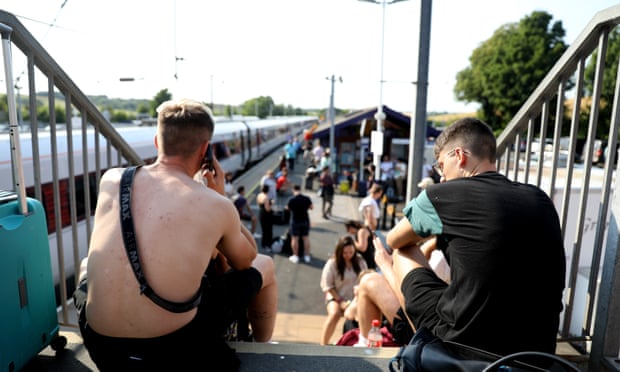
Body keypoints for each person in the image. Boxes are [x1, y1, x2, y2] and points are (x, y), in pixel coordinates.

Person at [74, 99, 278, 371]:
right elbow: (246, 260)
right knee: (265, 265)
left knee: (88, 263)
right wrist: (221, 196)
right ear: (206, 150)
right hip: (173, 352)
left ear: (157, 142)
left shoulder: (112, 180)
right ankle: (262, 346)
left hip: (101, 347)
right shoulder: (215, 205)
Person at [384, 117, 566, 357]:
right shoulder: (540, 198)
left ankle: (425, 342)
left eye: (440, 166)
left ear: (459, 156)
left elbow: (394, 239)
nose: (442, 177)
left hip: (466, 347)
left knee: (401, 253)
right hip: (537, 353)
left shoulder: (444, 193)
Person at [343, 237, 448, 347]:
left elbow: (412, 300)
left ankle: (365, 346)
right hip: (446, 325)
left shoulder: (438, 255)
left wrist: (385, 265)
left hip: (433, 332)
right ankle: (365, 344)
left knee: (369, 281)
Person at [319, 235, 368, 345]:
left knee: (359, 317)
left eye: (351, 252)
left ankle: (354, 341)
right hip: (336, 296)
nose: (348, 255)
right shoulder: (332, 263)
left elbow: (365, 279)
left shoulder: (359, 261)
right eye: (345, 253)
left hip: (355, 297)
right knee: (334, 314)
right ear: (340, 251)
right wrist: (340, 301)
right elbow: (327, 286)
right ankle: (323, 344)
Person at [285, 184, 313, 263]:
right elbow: (311, 207)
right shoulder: (306, 198)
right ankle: (307, 256)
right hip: (305, 220)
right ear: (300, 189)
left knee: (295, 238)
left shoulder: (292, 199)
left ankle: (295, 256)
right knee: (306, 238)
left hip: (295, 221)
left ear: (293, 190)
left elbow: (287, 208)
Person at [256, 184, 274, 251]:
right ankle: (267, 245)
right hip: (266, 215)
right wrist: (271, 203)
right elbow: (268, 209)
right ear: (268, 190)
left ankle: (263, 244)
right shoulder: (266, 197)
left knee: (264, 230)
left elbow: (258, 204)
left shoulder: (259, 195)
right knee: (268, 230)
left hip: (261, 213)